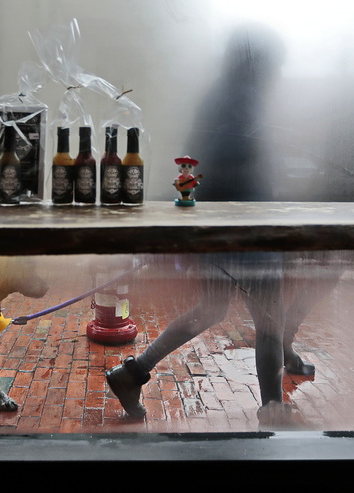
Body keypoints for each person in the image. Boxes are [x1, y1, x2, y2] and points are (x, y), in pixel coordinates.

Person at [107, 23, 313, 425]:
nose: (280, 72)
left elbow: (200, 160)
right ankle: (272, 408)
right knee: (269, 317)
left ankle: (132, 374)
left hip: (226, 229)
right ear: (258, 61)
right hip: (245, 231)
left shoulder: (221, 94)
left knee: (214, 308)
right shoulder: (242, 98)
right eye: (276, 62)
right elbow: (227, 157)